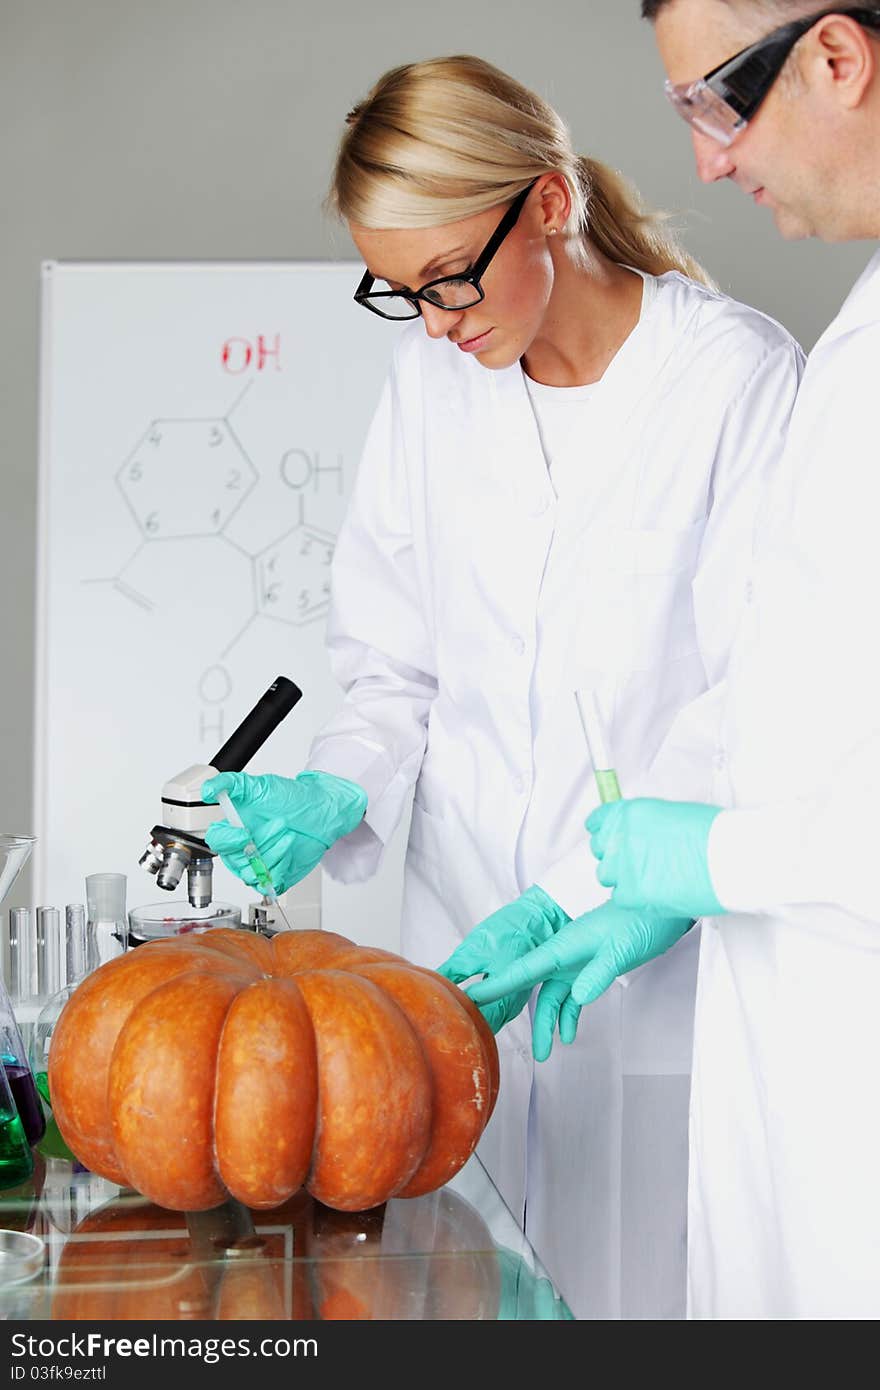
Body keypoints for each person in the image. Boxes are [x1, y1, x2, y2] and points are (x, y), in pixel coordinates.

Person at [200, 54, 803, 1319]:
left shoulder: (731, 380)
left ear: (546, 203)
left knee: (641, 1295)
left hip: (637, 963)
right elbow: (393, 664)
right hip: (450, 947)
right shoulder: (430, 389)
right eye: (397, 292)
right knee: (454, 1297)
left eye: (446, 278)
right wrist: (337, 781)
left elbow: (750, 704)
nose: (434, 323)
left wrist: (575, 896)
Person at [470, 3, 880, 1320]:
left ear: (837, 56)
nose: (706, 161)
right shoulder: (859, 346)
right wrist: (592, 876)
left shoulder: (759, 369)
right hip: (796, 1083)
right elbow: (783, 681)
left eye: (715, 104)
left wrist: (714, 861)